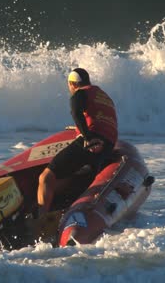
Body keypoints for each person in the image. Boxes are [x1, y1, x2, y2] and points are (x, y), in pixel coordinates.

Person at [36, 68, 118, 217]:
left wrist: (87, 136)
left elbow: (75, 112)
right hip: (108, 144)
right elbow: (102, 119)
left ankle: (40, 220)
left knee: (45, 177)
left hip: (92, 141)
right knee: (75, 177)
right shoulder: (103, 96)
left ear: (73, 84)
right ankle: (65, 211)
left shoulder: (80, 93)